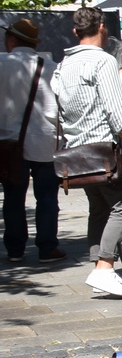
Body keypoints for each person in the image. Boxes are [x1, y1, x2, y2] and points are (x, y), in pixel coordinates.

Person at [51, 7, 122, 298]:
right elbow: (116, 111)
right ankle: (104, 268)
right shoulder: (103, 60)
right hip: (105, 149)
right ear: (102, 27)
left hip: (77, 151)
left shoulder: (63, 65)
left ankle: (102, 270)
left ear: (75, 31)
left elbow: (56, 110)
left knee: (99, 210)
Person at [0, 18, 62, 263]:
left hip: (8, 142)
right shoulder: (52, 67)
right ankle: (47, 248)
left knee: (13, 198)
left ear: (11, 39)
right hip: (45, 141)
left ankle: (15, 249)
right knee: (46, 197)